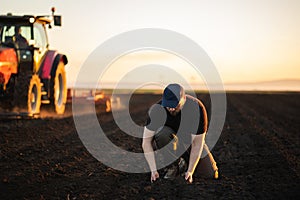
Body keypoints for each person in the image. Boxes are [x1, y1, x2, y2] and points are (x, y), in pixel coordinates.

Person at [142, 83, 217, 183]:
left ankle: (185, 164)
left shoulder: (197, 108)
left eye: (175, 105)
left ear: (184, 99)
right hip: (169, 141)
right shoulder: (157, 110)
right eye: (168, 105)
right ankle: (173, 165)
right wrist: (153, 170)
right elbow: (146, 142)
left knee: (210, 174)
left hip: (190, 143)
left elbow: (197, 144)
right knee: (161, 132)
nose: (172, 109)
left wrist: (190, 171)